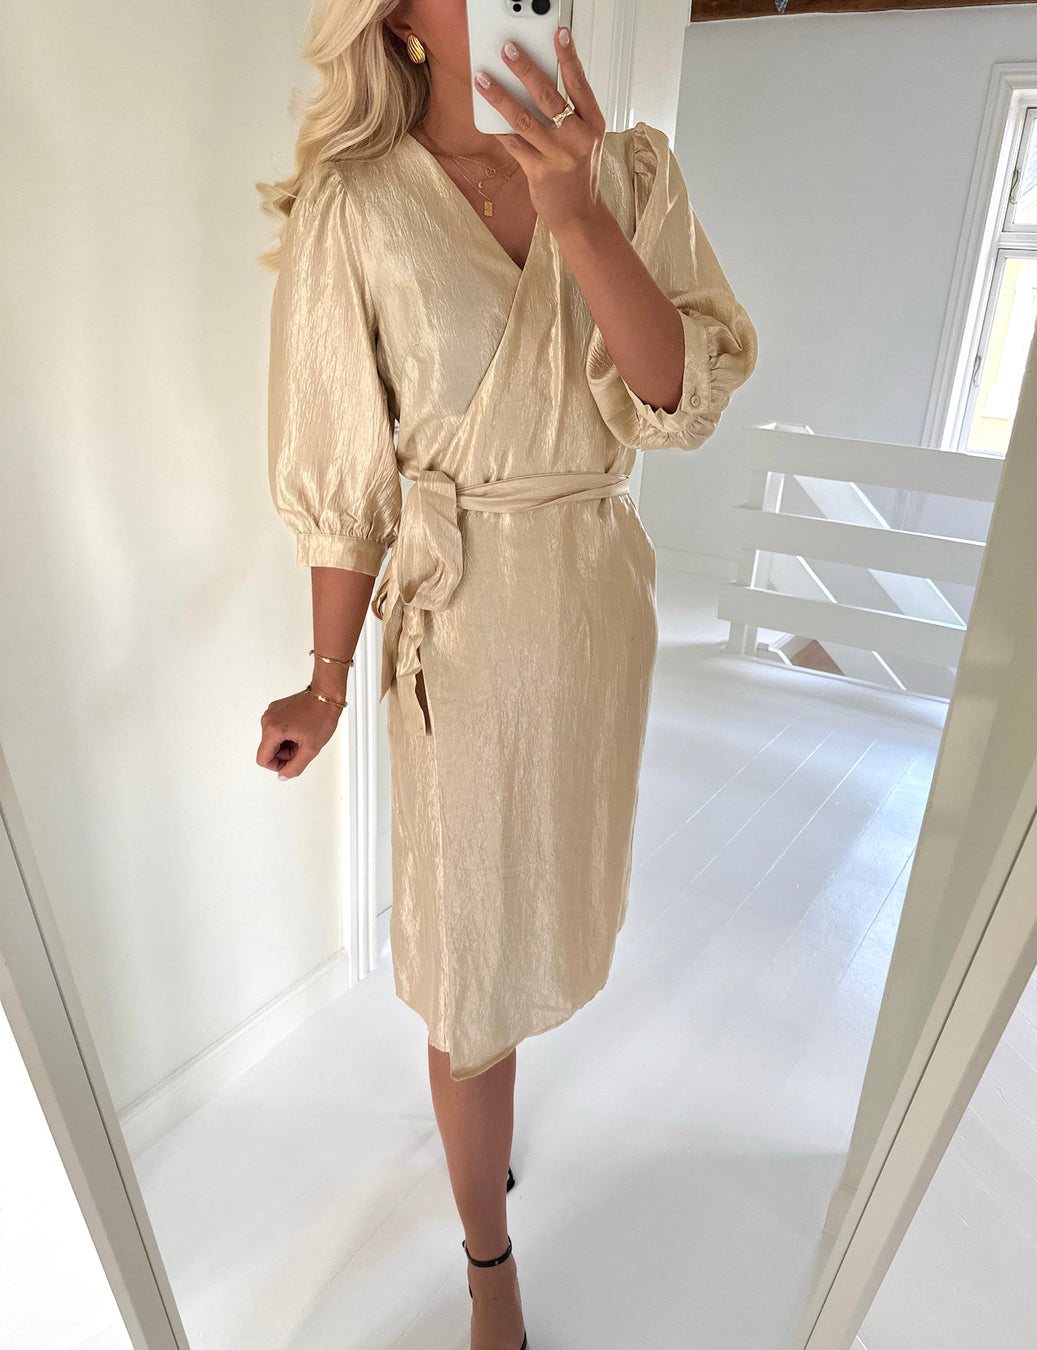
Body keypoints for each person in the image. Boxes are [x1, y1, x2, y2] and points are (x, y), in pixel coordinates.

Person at [255, 3, 758, 1346]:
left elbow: (679, 403)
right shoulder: (359, 204)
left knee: (549, 898)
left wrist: (579, 212)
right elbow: (343, 471)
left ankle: (492, 1142)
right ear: (401, 16)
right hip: (461, 625)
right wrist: (325, 677)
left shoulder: (633, 169)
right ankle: (489, 1258)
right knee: (468, 970)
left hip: (592, 606)